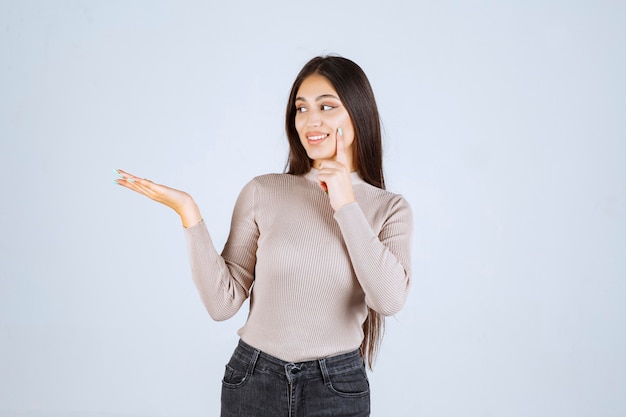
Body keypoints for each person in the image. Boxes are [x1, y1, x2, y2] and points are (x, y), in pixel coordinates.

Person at [114, 55, 412, 417]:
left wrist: (345, 204)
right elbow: (222, 304)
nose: (310, 120)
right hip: (254, 378)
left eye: (327, 106)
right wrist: (188, 213)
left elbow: (389, 300)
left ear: (358, 114)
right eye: (300, 108)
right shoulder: (263, 192)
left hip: (336, 387)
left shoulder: (389, 208)